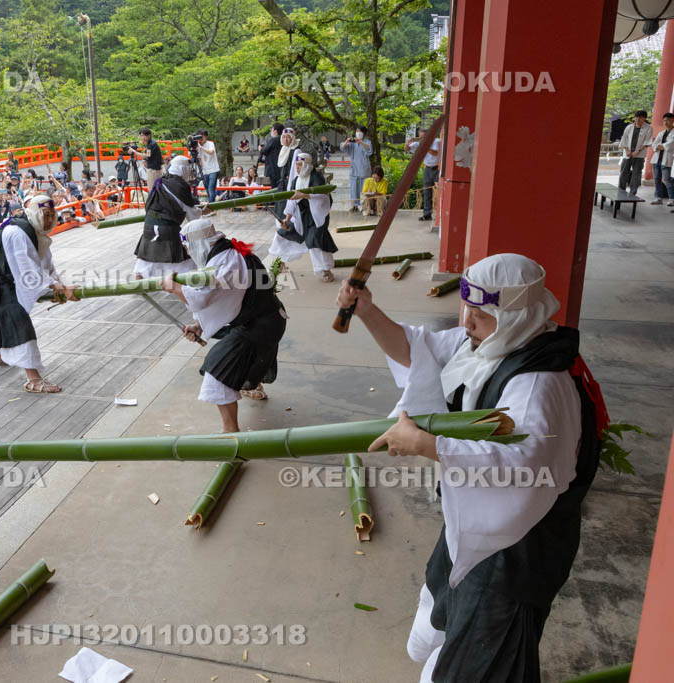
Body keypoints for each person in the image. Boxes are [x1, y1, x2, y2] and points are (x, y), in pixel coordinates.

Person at [336, 253, 605, 683]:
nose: (467, 322)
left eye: (480, 314)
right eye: (466, 308)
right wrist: (367, 310)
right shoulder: (488, 343)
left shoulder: (538, 383)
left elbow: (525, 465)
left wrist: (426, 445)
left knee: (482, 660)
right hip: (477, 522)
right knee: (445, 611)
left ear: (515, 315)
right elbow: (416, 350)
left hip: (517, 548)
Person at [162, 218, 288, 432]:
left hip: (260, 325)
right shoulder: (227, 253)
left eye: (189, 247)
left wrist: (174, 287)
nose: (189, 252)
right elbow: (226, 300)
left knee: (216, 373)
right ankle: (254, 385)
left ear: (200, 244)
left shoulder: (225, 262)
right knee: (241, 353)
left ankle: (231, 433)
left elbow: (201, 299)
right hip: (266, 318)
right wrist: (199, 325)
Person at [0, 195, 77, 393]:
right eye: (45, 215)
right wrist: (56, 287)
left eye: (52, 215)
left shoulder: (36, 231)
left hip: (5, 275)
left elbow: (46, 265)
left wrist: (59, 285)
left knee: (0, 315)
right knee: (16, 318)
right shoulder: (17, 233)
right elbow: (28, 271)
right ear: (34, 214)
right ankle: (33, 380)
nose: (49, 220)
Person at [134, 155, 209, 279]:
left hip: (149, 225)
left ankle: (140, 280)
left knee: (147, 259)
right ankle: (183, 282)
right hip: (167, 228)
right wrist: (202, 212)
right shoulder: (180, 186)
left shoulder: (160, 181)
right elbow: (191, 213)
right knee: (184, 262)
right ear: (183, 169)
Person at [269, 152, 337, 282]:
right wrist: (287, 220)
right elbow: (291, 201)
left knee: (315, 241)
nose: (297, 168)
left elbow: (322, 197)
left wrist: (304, 195)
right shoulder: (296, 180)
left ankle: (325, 270)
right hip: (300, 216)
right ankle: (280, 263)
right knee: (282, 234)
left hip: (316, 216)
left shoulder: (317, 177)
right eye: (296, 165)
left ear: (307, 164)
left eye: (300, 165)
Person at [406, 129, 441, 222]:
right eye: (420, 137)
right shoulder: (420, 143)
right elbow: (407, 149)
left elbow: (435, 153)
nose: (422, 138)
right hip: (427, 168)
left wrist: (425, 145)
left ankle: (440, 214)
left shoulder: (436, 141)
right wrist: (407, 143)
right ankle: (427, 214)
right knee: (426, 192)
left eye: (424, 137)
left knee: (439, 192)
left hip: (437, 168)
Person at [619, 110, 652, 196]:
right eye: (636, 117)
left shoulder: (648, 128)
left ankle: (633, 193)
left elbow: (647, 141)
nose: (637, 119)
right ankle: (621, 190)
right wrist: (627, 150)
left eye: (640, 117)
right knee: (623, 172)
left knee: (636, 173)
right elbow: (624, 139)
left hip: (639, 155)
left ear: (644, 118)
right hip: (627, 154)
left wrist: (637, 152)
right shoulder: (629, 127)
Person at [340, 126, 373, 213]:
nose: (357, 133)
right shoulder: (352, 143)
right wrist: (347, 141)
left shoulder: (367, 142)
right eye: (356, 131)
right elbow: (342, 147)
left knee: (365, 189)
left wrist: (361, 142)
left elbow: (369, 150)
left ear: (363, 133)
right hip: (354, 169)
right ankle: (354, 206)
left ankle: (365, 206)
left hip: (364, 169)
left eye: (359, 131)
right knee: (354, 189)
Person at [649, 112, 674, 206]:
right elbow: (654, 144)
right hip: (657, 159)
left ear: (673, 121)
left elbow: (671, 144)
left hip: (667, 160)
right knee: (656, 179)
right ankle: (658, 198)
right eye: (664, 120)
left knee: (668, 180)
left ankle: (671, 198)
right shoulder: (661, 133)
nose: (666, 122)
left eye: (668, 120)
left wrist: (661, 146)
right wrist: (660, 146)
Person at [197, 130, 221, 203]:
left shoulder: (210, 143)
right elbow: (200, 160)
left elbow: (211, 152)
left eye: (202, 136)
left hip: (213, 170)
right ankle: (211, 203)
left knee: (211, 189)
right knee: (207, 189)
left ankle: (211, 206)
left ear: (206, 137)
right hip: (205, 171)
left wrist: (201, 147)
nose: (201, 138)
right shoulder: (199, 146)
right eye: (200, 136)